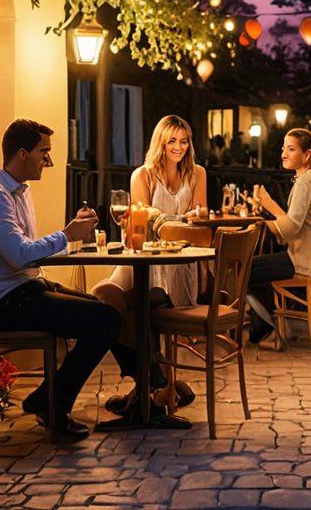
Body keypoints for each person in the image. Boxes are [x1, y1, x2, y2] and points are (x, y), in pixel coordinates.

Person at [0, 119, 176, 441]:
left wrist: (70, 237)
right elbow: (20, 255)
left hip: (27, 288)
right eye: (43, 152)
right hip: (6, 303)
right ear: (22, 154)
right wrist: (67, 235)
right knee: (103, 319)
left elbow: (27, 257)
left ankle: (143, 388)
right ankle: (56, 402)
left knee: (108, 305)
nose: (48, 160)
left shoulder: (18, 192)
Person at [93, 115, 206, 414]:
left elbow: (200, 223)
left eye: (184, 141)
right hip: (143, 259)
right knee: (105, 296)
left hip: (181, 262)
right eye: (172, 141)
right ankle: (159, 381)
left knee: (151, 311)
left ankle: (150, 389)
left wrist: (169, 223)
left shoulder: (198, 174)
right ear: (160, 142)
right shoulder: (141, 175)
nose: (179, 147)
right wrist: (176, 222)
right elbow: (142, 223)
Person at [246, 128, 311, 344]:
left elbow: (291, 227)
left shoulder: (307, 180)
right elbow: (294, 224)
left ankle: (265, 324)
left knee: (242, 268)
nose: (284, 154)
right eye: (284, 148)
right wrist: (270, 209)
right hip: (307, 257)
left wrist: (265, 216)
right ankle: (266, 322)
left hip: (300, 261)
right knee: (252, 266)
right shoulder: (310, 178)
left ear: (307, 155)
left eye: (291, 149)